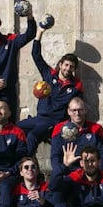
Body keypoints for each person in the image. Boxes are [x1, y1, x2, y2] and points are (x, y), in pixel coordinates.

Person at [17, 26, 83, 155]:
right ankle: (25, 162)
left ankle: (24, 166)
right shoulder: (49, 75)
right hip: (39, 118)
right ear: (60, 65)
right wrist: (39, 33)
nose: (68, 69)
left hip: (54, 122)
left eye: (71, 67)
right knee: (15, 129)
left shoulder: (76, 85)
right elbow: (36, 55)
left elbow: (79, 105)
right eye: (66, 65)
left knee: (33, 136)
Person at [50, 97, 103, 177]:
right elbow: (55, 156)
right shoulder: (59, 129)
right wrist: (60, 173)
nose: (77, 113)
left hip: (90, 173)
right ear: (68, 112)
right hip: (67, 173)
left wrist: (96, 174)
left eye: (80, 110)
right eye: (74, 110)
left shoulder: (96, 129)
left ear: (85, 110)